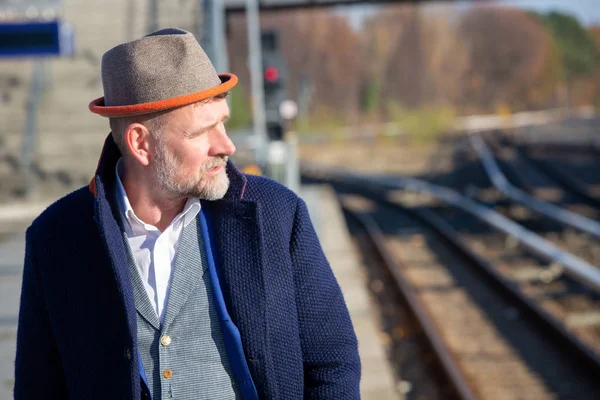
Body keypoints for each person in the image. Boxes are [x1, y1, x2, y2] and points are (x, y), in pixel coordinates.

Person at [14, 28, 360, 399]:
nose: (226, 145)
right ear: (141, 144)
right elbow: (39, 387)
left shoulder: (277, 214)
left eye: (222, 122)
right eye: (202, 131)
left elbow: (332, 363)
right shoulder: (56, 237)